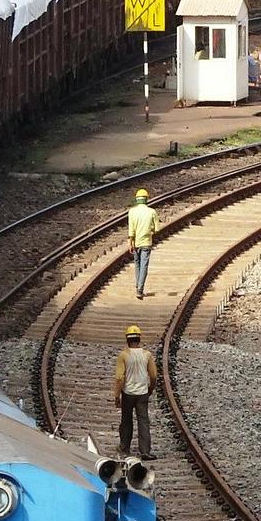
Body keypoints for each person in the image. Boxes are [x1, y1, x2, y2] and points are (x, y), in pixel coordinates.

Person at [114, 325, 158, 460]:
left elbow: (119, 378)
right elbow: (154, 375)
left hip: (128, 393)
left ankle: (124, 447)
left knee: (126, 420)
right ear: (139, 339)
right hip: (143, 392)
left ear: (127, 340)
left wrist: (117, 395)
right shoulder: (147, 355)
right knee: (143, 421)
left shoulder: (123, 355)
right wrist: (150, 388)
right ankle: (145, 451)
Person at [126, 187, 158, 299]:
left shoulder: (132, 212)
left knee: (137, 264)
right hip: (146, 242)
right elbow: (156, 229)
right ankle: (140, 289)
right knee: (144, 265)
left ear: (137, 199)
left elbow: (131, 230)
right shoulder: (152, 212)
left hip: (135, 243)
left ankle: (137, 286)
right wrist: (149, 232)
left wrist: (130, 243)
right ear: (146, 199)